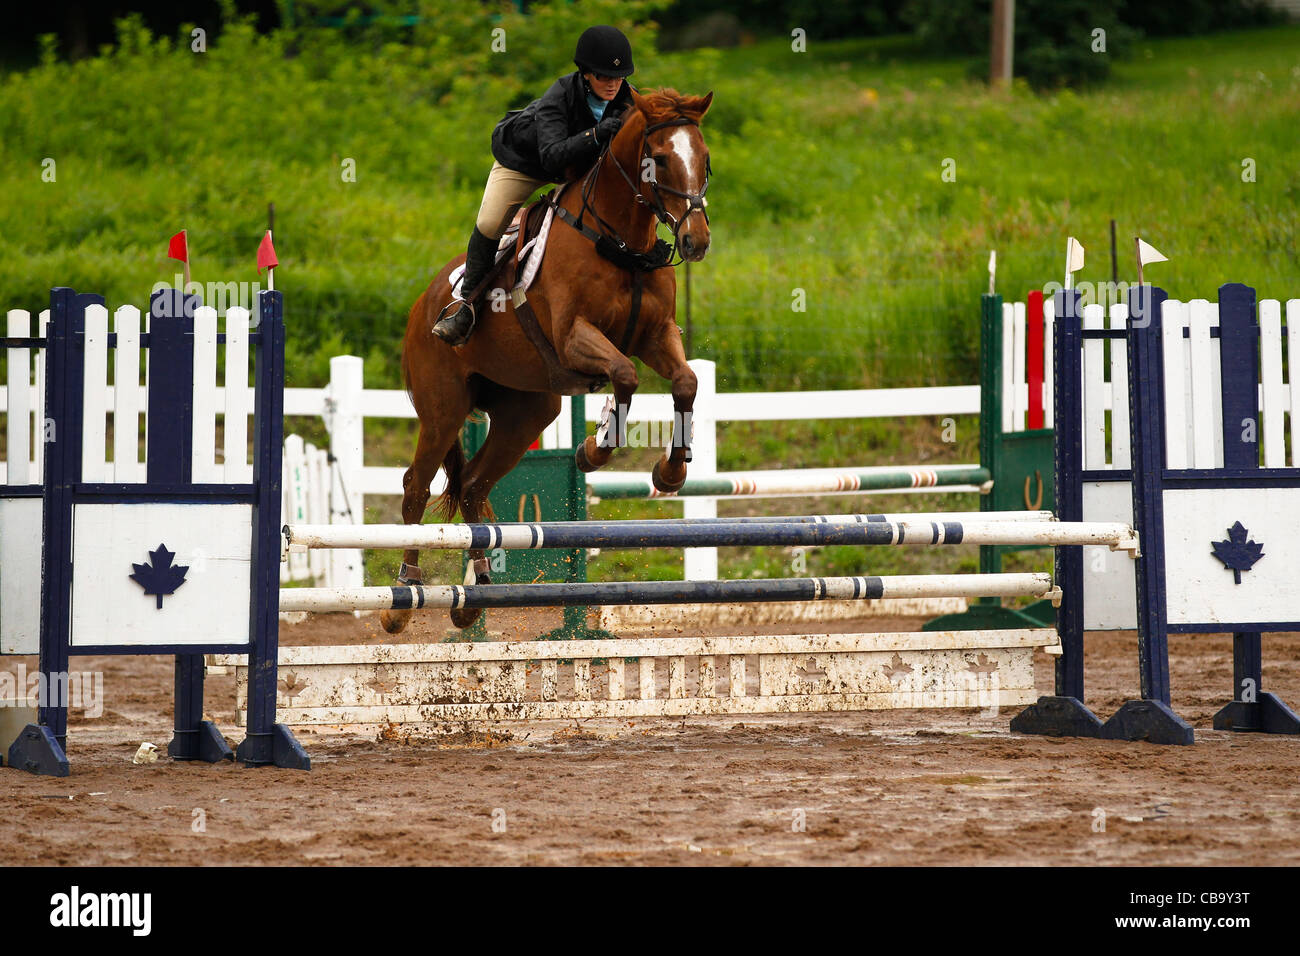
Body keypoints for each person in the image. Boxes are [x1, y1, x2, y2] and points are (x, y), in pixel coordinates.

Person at [432, 25, 637, 345]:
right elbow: (552, 156)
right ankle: (466, 306)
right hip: (527, 162)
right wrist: (596, 135)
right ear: (585, 73)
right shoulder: (559, 97)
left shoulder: (627, 98)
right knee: (489, 222)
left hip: (577, 168)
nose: (612, 84)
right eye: (603, 77)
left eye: (619, 77)